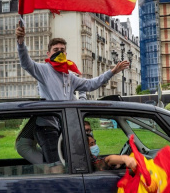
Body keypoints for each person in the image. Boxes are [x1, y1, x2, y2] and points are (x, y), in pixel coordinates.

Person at [16, 24, 129, 171]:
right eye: (56, 50)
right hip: (46, 125)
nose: (59, 52)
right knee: (57, 167)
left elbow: (91, 84)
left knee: (67, 163)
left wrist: (112, 72)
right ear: (48, 53)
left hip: (63, 125)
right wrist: (20, 42)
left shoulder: (69, 76)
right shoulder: (43, 70)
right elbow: (26, 63)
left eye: (62, 50)